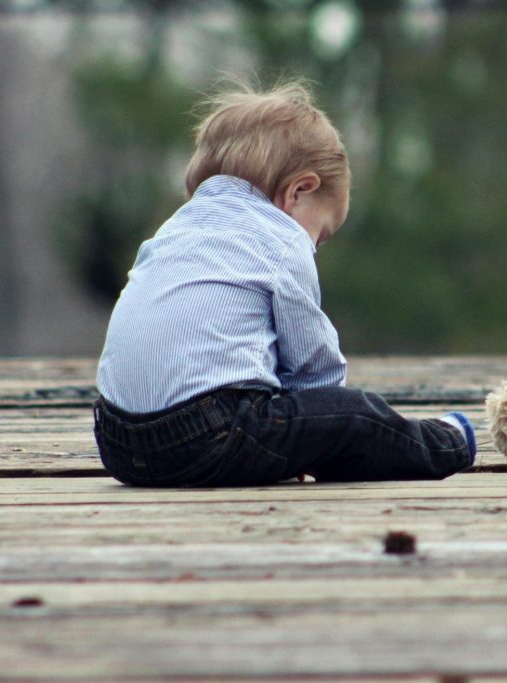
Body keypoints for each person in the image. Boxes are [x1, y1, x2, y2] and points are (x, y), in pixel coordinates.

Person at [92, 80, 475, 487]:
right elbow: (314, 368)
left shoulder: (173, 229)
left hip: (117, 443)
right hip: (207, 437)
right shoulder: (281, 237)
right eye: (321, 234)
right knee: (358, 416)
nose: (314, 247)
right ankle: (448, 441)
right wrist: (321, 429)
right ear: (299, 191)